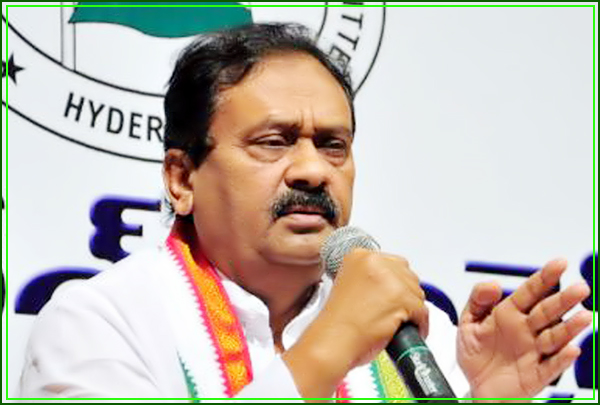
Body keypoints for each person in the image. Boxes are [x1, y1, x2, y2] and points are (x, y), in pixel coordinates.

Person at [19, 23, 592, 401]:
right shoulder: (98, 323)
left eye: (333, 145)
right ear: (182, 178)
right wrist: (333, 344)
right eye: (274, 142)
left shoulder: (419, 342)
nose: (314, 171)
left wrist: (487, 399)